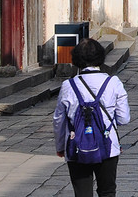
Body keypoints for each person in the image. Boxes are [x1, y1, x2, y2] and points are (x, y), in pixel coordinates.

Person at [53, 38, 131, 197]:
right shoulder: (113, 82)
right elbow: (124, 119)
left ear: (76, 59)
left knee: (82, 194)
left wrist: (60, 147)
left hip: (76, 146)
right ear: (101, 57)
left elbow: (58, 120)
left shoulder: (68, 85)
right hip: (108, 146)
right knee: (107, 191)